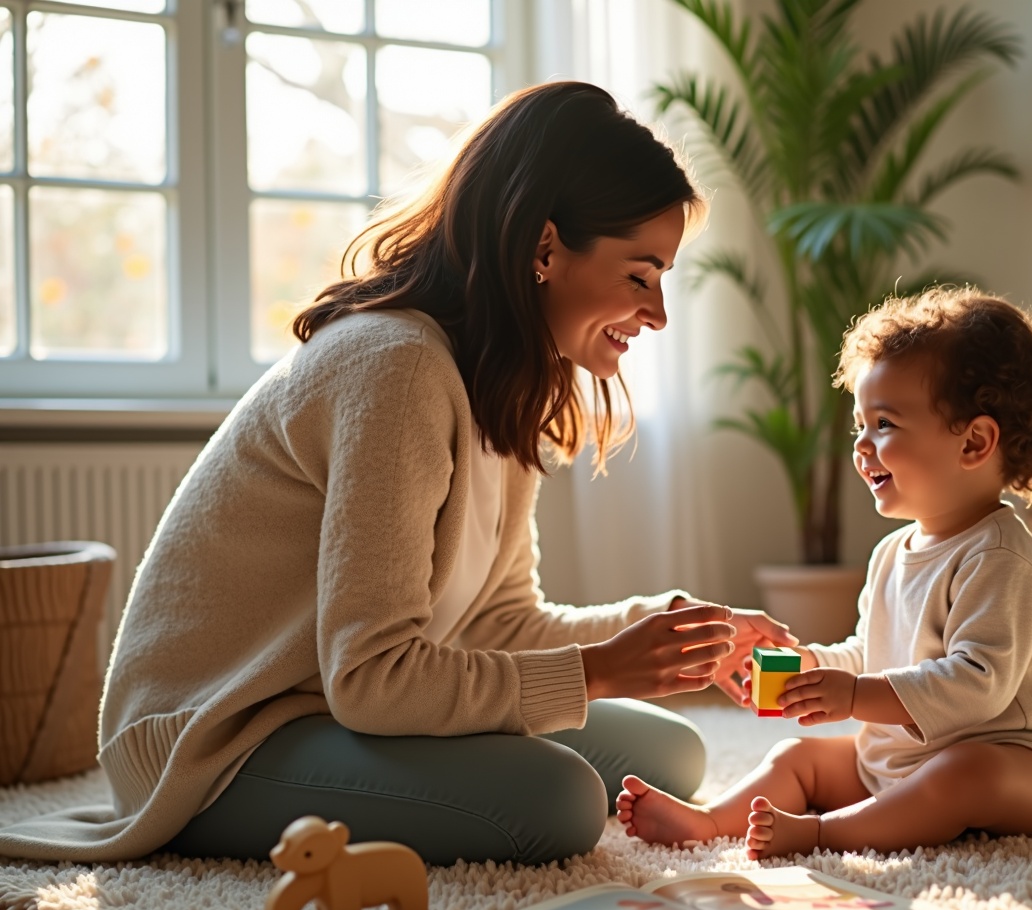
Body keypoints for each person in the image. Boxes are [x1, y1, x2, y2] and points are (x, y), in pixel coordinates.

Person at [0, 82, 794, 867]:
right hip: (217, 737)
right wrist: (601, 670)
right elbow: (374, 680)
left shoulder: (503, 381)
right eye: (640, 275)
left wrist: (672, 629)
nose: (657, 315)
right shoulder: (397, 367)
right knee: (561, 800)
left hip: (330, 710)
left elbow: (497, 623)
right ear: (545, 249)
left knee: (670, 754)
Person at [617, 286, 1032, 858]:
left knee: (961, 774)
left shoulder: (1000, 557)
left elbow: (977, 686)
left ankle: (827, 833)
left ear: (974, 441)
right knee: (798, 759)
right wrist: (810, 671)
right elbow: (871, 655)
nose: (862, 447)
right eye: (860, 426)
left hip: (1025, 765)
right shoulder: (892, 553)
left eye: (886, 425)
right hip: (906, 758)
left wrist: (853, 696)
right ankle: (710, 822)